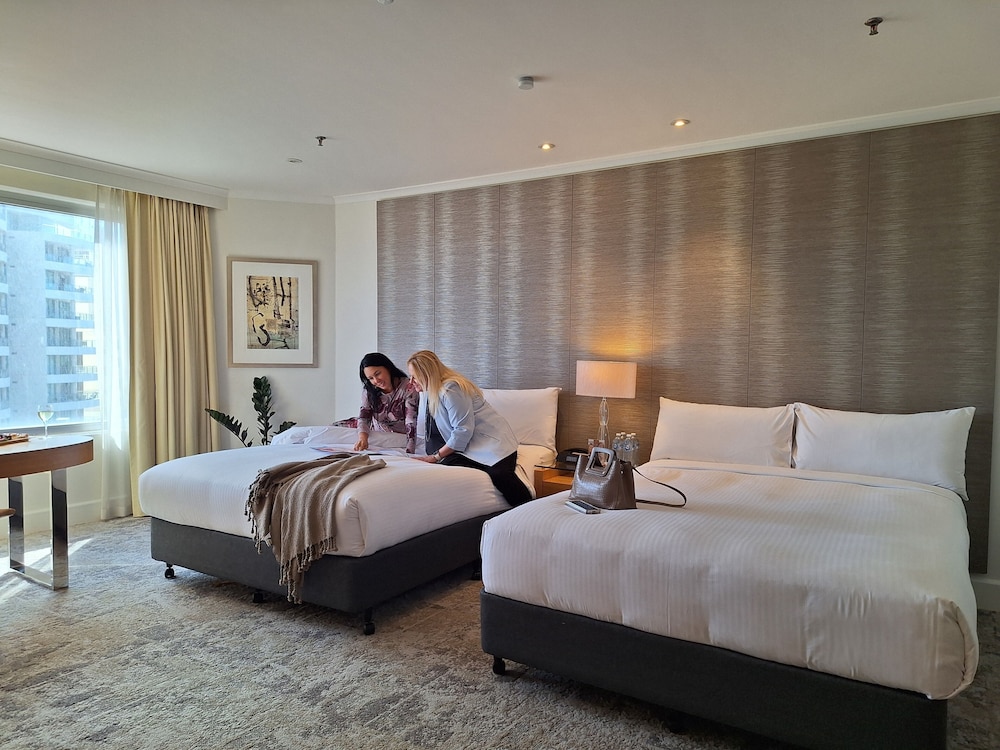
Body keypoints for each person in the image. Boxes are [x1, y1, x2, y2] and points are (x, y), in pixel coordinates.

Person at [406, 350, 532, 507]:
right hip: (470, 446)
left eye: (414, 377)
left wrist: (436, 456)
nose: (411, 382)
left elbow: (462, 430)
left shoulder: (451, 389)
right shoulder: (432, 392)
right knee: (448, 463)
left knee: (499, 475)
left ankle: (530, 509)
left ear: (427, 374)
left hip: (494, 445)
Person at [353, 352, 419, 454]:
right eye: (371, 378)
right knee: (332, 429)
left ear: (388, 368)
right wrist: (363, 438)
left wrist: (410, 453)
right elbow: (364, 417)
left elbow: (411, 422)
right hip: (376, 434)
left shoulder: (408, 387)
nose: (376, 380)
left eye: (377, 374)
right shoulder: (369, 390)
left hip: (399, 437)